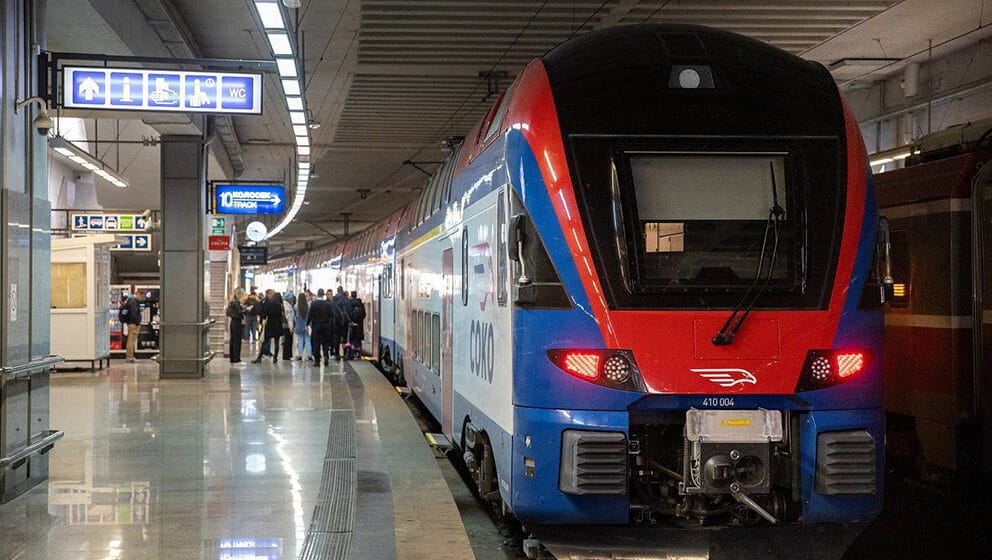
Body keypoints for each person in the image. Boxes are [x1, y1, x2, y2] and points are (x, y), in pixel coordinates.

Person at [252, 291, 283, 363]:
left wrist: (262, 319)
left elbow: (264, 314)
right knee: (276, 342)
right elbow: (280, 316)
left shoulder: (269, 304)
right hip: (278, 325)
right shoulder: (280, 306)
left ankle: (259, 357)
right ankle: (275, 358)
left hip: (270, 325)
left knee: (265, 341)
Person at [308, 288, 332, 366]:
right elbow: (332, 315)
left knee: (316, 343)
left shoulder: (313, 304)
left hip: (316, 325)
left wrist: (307, 324)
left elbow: (310, 315)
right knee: (326, 342)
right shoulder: (327, 304)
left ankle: (317, 361)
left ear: (318, 294)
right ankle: (326, 355)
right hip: (326, 325)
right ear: (323, 294)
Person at [120, 291, 146, 363]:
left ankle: (130, 356)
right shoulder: (133, 301)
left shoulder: (131, 300)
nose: (142, 299)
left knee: (130, 340)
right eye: (141, 297)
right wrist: (137, 322)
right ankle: (130, 357)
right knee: (131, 341)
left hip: (131, 323)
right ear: (138, 294)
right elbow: (134, 313)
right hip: (133, 323)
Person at [329, 286, 351, 361]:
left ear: (337, 291)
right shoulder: (345, 299)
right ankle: (345, 354)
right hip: (344, 322)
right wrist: (350, 320)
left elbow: (331, 311)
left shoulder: (333, 300)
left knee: (336, 338)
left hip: (335, 322)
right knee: (345, 338)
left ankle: (336, 354)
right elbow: (349, 310)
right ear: (342, 290)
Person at [226, 287, 245, 363]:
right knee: (237, 341)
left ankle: (232, 357)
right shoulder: (236, 302)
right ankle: (236, 358)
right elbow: (239, 312)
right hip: (237, 322)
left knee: (233, 340)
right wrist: (244, 311)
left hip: (233, 322)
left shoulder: (232, 301)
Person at [347, 291, 366, 360]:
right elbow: (364, 315)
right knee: (358, 340)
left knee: (352, 340)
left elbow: (349, 313)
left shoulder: (350, 303)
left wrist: (351, 321)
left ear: (351, 295)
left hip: (352, 325)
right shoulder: (361, 304)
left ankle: (352, 354)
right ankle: (359, 354)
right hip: (359, 325)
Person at [295, 294, 311, 361]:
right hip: (307, 325)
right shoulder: (308, 306)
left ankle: (300, 355)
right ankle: (309, 355)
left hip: (299, 325)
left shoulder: (296, 306)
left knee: (300, 340)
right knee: (308, 340)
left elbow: (295, 316)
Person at [281, 293, 295, 361]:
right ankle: (287, 355)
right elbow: (289, 317)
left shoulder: (283, 304)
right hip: (287, 326)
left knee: (286, 340)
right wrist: (291, 327)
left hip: (284, 325)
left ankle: (286, 355)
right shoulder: (287, 306)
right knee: (288, 341)